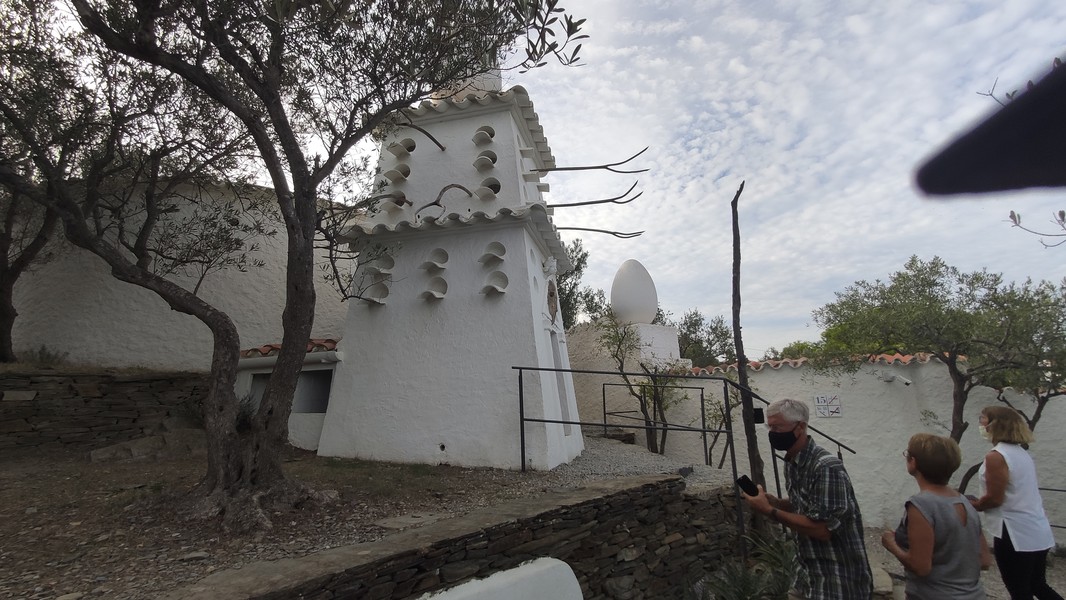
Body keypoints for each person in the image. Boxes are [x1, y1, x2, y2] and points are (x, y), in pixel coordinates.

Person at [742, 398, 873, 599]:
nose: (772, 433)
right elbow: (806, 503)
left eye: (777, 427)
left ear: (800, 427)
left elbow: (822, 529)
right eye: (770, 427)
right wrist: (777, 502)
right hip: (805, 574)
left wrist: (769, 511)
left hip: (836, 578)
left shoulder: (826, 468)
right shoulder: (792, 461)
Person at [880, 433, 991, 599]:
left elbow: (921, 567)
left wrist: (891, 544)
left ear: (913, 462)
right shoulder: (965, 502)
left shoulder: (921, 504)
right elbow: (984, 560)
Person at [971, 406, 1063, 600]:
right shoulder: (1021, 453)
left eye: (983, 419)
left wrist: (974, 505)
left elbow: (995, 498)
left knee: (1020, 591)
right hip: (1036, 528)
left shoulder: (996, 456)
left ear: (995, 424)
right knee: (1037, 585)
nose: (980, 423)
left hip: (1013, 532)